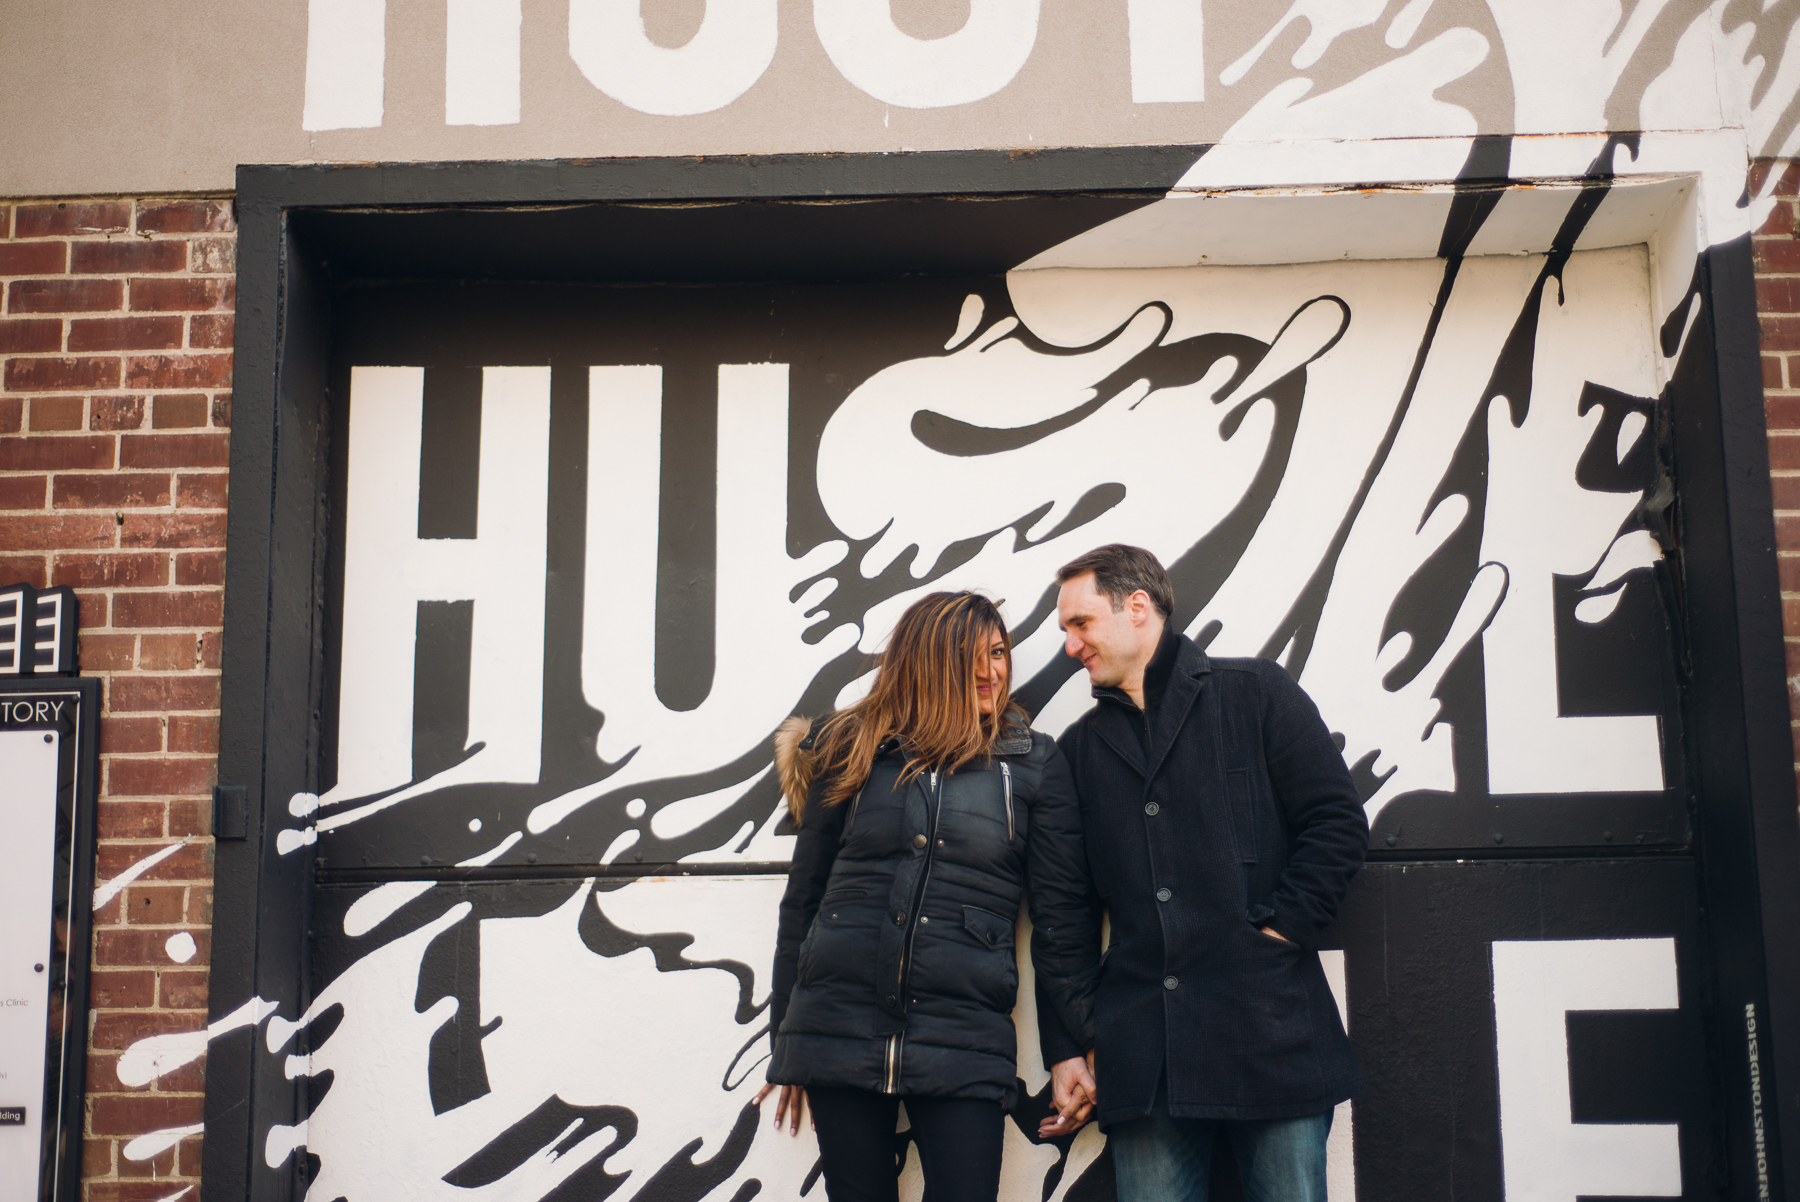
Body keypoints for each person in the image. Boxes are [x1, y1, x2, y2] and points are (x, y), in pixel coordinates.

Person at [1043, 544, 1368, 1202]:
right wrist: (1077, 1040)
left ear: (1137, 608)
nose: (1070, 645)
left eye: (1080, 624)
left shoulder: (1255, 693)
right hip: (1145, 1053)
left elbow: (1336, 821)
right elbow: (1061, 911)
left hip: (1270, 1032)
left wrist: (1276, 935)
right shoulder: (1078, 752)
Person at [756, 591, 1101, 1202]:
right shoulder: (851, 747)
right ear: (925, 662)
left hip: (964, 1036)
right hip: (839, 1029)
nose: (990, 670)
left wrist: (1069, 1050)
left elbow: (1059, 922)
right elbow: (804, 899)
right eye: (968, 656)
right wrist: (788, 1035)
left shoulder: (1033, 763)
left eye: (998, 653)